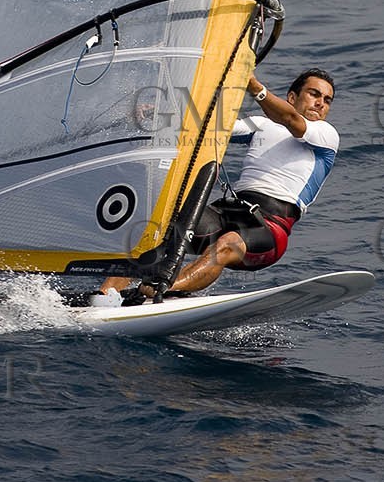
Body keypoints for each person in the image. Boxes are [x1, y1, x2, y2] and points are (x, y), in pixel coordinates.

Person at [93, 67, 338, 305]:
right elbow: (206, 126)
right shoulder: (262, 125)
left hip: (271, 227)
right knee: (163, 228)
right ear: (292, 97)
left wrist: (254, 86)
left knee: (228, 242)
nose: (321, 103)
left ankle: (166, 289)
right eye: (314, 94)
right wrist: (160, 114)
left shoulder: (325, 135)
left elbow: (291, 119)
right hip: (232, 210)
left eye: (327, 100)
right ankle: (103, 297)